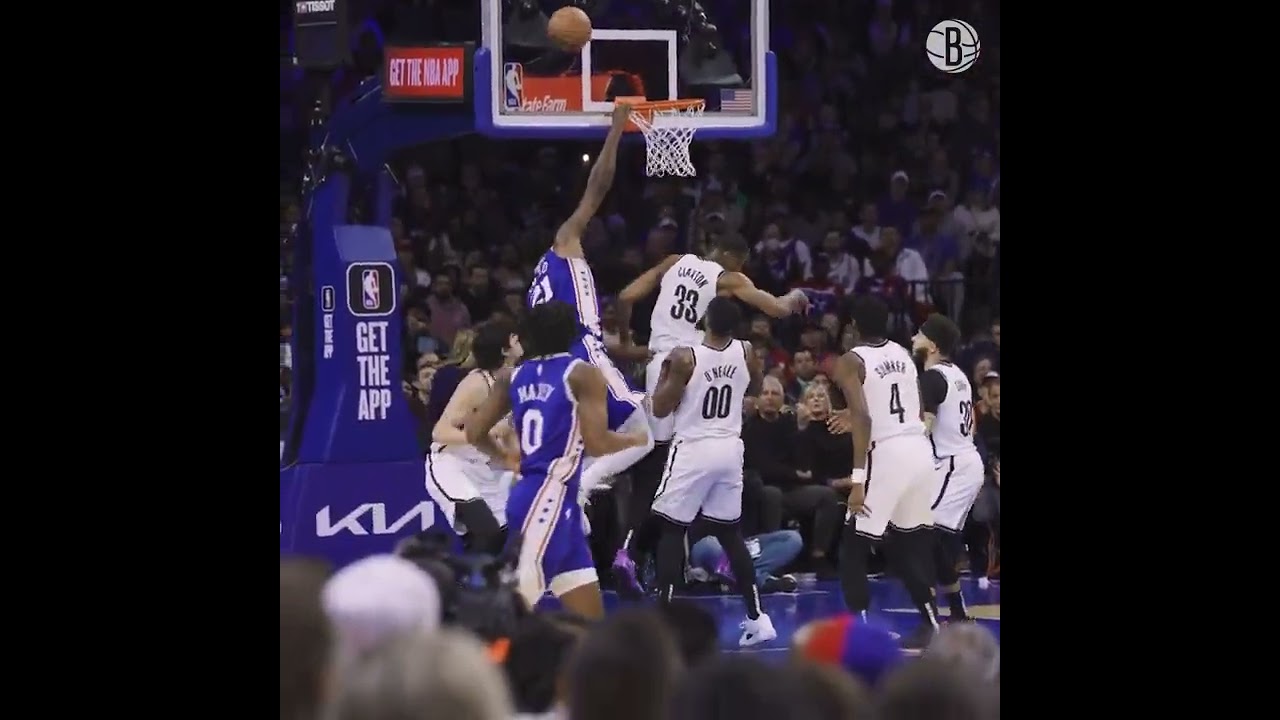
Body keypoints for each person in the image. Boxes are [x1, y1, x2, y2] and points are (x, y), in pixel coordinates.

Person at [609, 234, 810, 596]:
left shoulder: (672, 262)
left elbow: (624, 297)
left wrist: (625, 342)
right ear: (733, 258)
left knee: (660, 466)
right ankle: (659, 557)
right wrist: (795, 299)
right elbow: (776, 308)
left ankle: (637, 552)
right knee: (679, 462)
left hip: (659, 365)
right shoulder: (725, 276)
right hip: (686, 365)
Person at [464, 301, 648, 619]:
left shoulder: (514, 376)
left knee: (588, 619)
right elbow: (598, 442)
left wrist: (507, 459)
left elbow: (474, 431)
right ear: (572, 333)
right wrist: (634, 439)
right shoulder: (582, 373)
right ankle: (478, 665)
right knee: (515, 608)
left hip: (544, 497)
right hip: (548, 498)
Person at [526, 103, 656, 508]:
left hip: (562, 362)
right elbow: (598, 187)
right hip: (584, 354)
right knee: (646, 432)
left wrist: (644, 352)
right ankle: (579, 487)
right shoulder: (565, 241)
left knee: (601, 442)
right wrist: (617, 129)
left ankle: (584, 491)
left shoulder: (540, 282)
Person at [649, 297, 776, 647]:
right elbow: (754, 387)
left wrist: (663, 376)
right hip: (730, 447)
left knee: (672, 530)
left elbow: (660, 409)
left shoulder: (685, 357)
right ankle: (757, 617)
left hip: (694, 447)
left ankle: (664, 620)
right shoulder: (747, 350)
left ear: (705, 320)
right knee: (730, 534)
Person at [829, 295, 941, 650]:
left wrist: (858, 480)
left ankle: (860, 636)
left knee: (853, 547)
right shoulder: (903, 355)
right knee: (904, 546)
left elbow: (863, 417)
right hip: (919, 450)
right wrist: (860, 419)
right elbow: (912, 406)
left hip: (887, 456)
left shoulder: (850, 360)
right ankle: (932, 625)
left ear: (854, 328)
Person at [425, 319, 521, 555]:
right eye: (515, 338)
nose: (521, 341)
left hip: (487, 468)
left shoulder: (517, 380)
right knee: (485, 530)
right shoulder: (477, 382)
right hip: (453, 464)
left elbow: (509, 435)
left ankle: (476, 586)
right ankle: (466, 589)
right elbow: (440, 432)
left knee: (502, 538)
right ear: (504, 349)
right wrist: (479, 435)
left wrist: (515, 463)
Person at [913, 313, 985, 622]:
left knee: (919, 539)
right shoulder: (958, 374)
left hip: (953, 466)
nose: (912, 340)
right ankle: (956, 611)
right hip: (961, 463)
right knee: (937, 542)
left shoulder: (932, 378)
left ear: (931, 345)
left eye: (918, 335)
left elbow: (922, 430)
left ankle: (928, 622)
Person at [687, 525, 802, 593]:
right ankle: (757, 580)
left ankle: (746, 576)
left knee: (793, 538)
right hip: (714, 545)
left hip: (744, 545)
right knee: (709, 544)